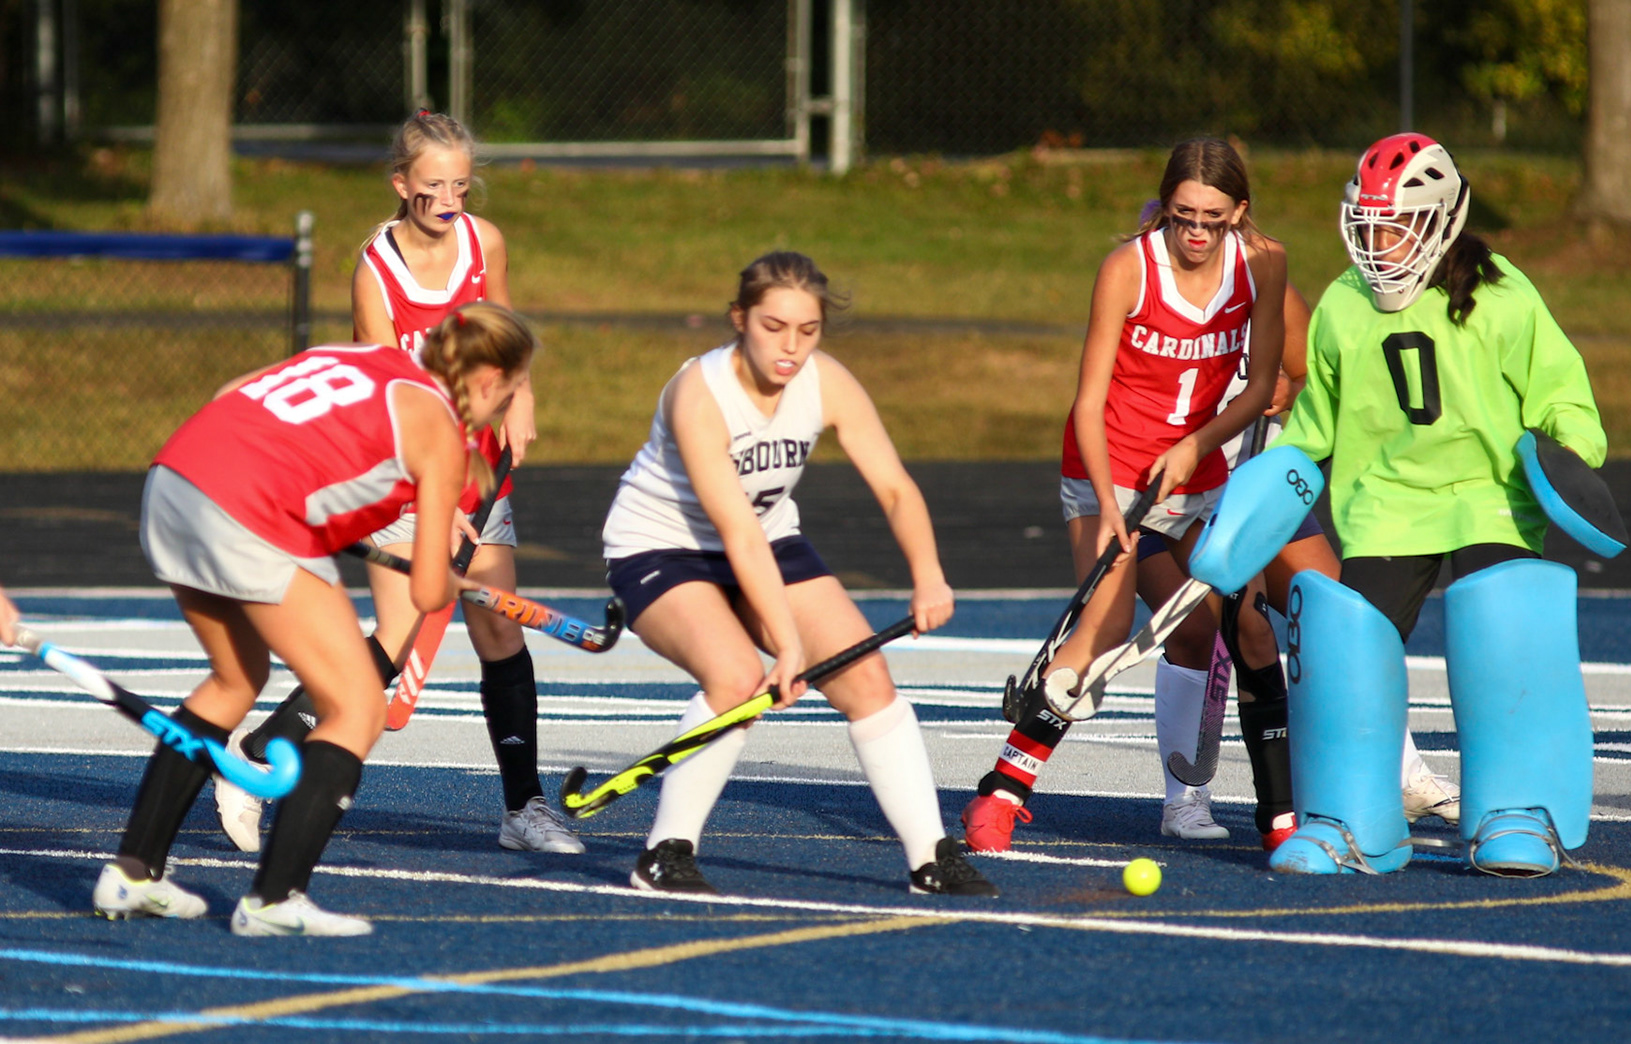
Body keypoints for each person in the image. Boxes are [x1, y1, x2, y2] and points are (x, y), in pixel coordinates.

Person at [94, 301, 536, 934]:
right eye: (511, 391)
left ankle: (133, 874)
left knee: (235, 680)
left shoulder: (359, 355)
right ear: (490, 380)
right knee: (356, 706)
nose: (504, 406)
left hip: (175, 480)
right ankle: (275, 899)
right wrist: (449, 577)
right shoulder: (440, 427)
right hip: (248, 510)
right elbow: (429, 591)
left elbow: (229, 396)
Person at [220, 111, 581, 858]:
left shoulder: (485, 242)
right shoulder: (375, 272)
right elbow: (382, 399)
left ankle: (524, 807)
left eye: (460, 185)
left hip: (476, 464)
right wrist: (431, 500)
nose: (449, 200)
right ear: (399, 184)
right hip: (401, 470)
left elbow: (504, 329)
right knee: (396, 636)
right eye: (433, 187)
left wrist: (522, 396)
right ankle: (256, 758)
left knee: (498, 628)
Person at [1261, 132, 1605, 877]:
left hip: (1490, 496)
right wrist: (1269, 482)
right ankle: (1350, 820)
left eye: (1396, 226)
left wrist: (1568, 450)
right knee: (1344, 639)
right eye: (1368, 227)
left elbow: (1562, 393)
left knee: (1505, 622)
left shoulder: (1504, 297)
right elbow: (1314, 426)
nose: (1379, 244)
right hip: (1386, 502)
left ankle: (1518, 810)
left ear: (1440, 220)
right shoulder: (1344, 305)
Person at [600, 251, 996, 897]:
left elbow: (895, 488)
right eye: (774, 327)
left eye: (808, 330)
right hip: (662, 548)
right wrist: (787, 648)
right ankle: (664, 854)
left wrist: (929, 576)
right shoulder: (699, 395)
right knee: (737, 679)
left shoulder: (826, 381)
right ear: (740, 319)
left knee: (867, 678)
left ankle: (931, 857)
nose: (791, 347)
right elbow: (736, 534)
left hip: (768, 539)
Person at [961, 138, 1290, 853]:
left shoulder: (1263, 262)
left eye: (1213, 219)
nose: (1196, 233)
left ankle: (1265, 817)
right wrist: (1111, 510)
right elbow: (1087, 401)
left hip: (1197, 470)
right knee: (1105, 631)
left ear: (1239, 211)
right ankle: (1000, 793)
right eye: (1182, 216)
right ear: (1165, 206)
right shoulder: (1127, 268)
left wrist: (1197, 446)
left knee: (1244, 627)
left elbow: (1262, 386)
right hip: (1108, 467)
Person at [1138, 278, 1460, 856]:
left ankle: (1403, 774)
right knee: (1197, 631)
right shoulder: (1146, 281)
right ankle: (1185, 798)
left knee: (1339, 618)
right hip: (1169, 494)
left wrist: (1289, 390)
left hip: (1254, 491)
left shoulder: (1266, 280)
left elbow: (1316, 376)